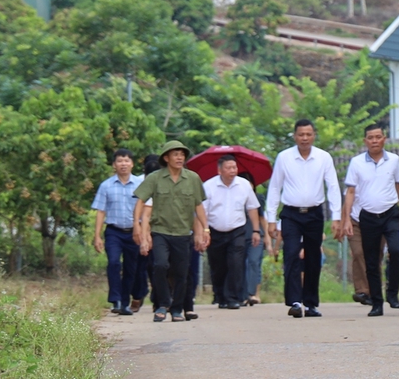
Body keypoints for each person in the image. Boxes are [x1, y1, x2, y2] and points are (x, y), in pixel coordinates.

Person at [265, 119, 340, 318]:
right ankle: (295, 302)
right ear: (295, 136)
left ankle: (311, 303)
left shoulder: (323, 157)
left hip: (315, 213)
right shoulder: (284, 157)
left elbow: (333, 186)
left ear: (314, 135)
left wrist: (337, 217)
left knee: (313, 258)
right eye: (301, 134)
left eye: (308, 134)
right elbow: (274, 187)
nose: (305, 138)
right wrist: (271, 219)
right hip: (291, 214)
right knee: (290, 254)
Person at [134, 140, 208, 322]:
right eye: (175, 154)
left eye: (182, 154)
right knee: (159, 265)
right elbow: (141, 202)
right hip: (160, 231)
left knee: (182, 272)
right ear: (166, 158)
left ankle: (177, 310)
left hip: (183, 233)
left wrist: (205, 229)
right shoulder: (155, 178)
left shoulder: (193, 178)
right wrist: (137, 224)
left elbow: (198, 206)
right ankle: (162, 304)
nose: (179, 157)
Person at [341, 123, 399, 317]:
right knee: (371, 260)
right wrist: (346, 219)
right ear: (365, 141)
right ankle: (377, 303)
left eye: (378, 137)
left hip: (390, 213)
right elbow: (351, 191)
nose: (374, 141)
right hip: (368, 216)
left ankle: (393, 293)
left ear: (384, 139)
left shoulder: (394, 160)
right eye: (370, 138)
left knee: (395, 251)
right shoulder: (356, 163)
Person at [203, 154, 263, 311]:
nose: (232, 171)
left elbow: (252, 208)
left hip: (237, 231)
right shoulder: (209, 186)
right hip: (215, 231)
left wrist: (256, 230)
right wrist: (204, 231)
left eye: (234, 167)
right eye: (228, 168)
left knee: (236, 264)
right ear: (219, 170)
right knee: (218, 266)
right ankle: (220, 296)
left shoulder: (244, 185)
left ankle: (232, 298)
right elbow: (202, 211)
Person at [91, 149, 146, 316]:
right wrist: (97, 236)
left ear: (132, 164)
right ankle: (115, 299)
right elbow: (101, 211)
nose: (123, 164)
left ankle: (125, 303)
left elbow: (146, 210)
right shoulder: (106, 185)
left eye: (127, 161)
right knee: (114, 263)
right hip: (114, 232)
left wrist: (144, 233)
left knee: (131, 268)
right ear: (114, 165)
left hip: (134, 232)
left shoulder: (140, 185)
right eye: (120, 161)